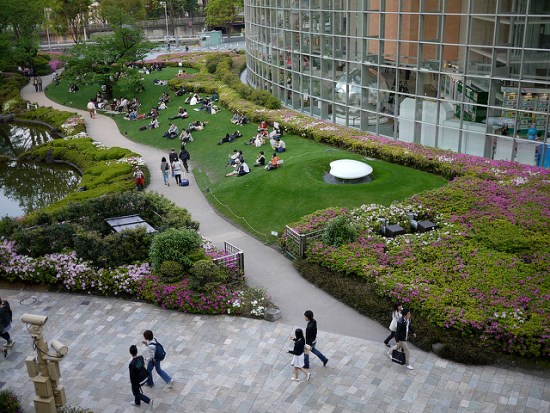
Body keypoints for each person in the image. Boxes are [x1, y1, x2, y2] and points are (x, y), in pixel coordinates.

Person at [129, 344, 154, 409]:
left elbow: (132, 376)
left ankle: (148, 401)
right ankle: (137, 403)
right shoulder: (140, 357)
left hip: (137, 381)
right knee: (136, 391)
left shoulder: (131, 364)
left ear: (130, 353)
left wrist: (133, 383)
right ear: (137, 351)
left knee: (136, 393)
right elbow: (143, 365)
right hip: (144, 377)